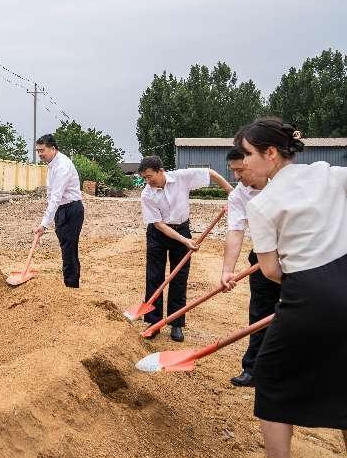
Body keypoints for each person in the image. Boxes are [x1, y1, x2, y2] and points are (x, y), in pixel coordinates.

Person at [237, 118, 347, 457]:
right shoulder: (329, 174)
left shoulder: (261, 204)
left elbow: (270, 270)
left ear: (270, 153)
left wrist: (310, 284)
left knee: (270, 376)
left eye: (247, 154)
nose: (243, 163)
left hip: (307, 294)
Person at [138, 155, 233, 341]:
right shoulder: (147, 194)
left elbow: (210, 173)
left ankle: (176, 323)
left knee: (179, 278)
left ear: (161, 171)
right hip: (158, 234)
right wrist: (185, 241)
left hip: (181, 227)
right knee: (154, 277)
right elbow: (159, 225)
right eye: (145, 178)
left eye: (150, 176)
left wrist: (230, 191)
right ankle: (153, 322)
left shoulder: (181, 177)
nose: (148, 181)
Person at [219, 146, 280, 388]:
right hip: (263, 257)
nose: (236, 176)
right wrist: (227, 270)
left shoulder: (285, 183)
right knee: (260, 312)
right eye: (232, 171)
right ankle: (253, 369)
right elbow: (235, 231)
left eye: (240, 170)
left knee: (301, 312)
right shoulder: (238, 195)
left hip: (299, 257)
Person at [32, 134, 84, 287]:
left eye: (42, 150)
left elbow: (56, 196)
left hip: (72, 210)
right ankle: (70, 282)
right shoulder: (52, 164)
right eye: (38, 151)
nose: (40, 154)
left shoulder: (62, 166)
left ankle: (71, 285)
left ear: (53, 149)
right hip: (61, 210)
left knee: (69, 247)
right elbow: (51, 196)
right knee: (65, 246)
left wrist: (44, 224)